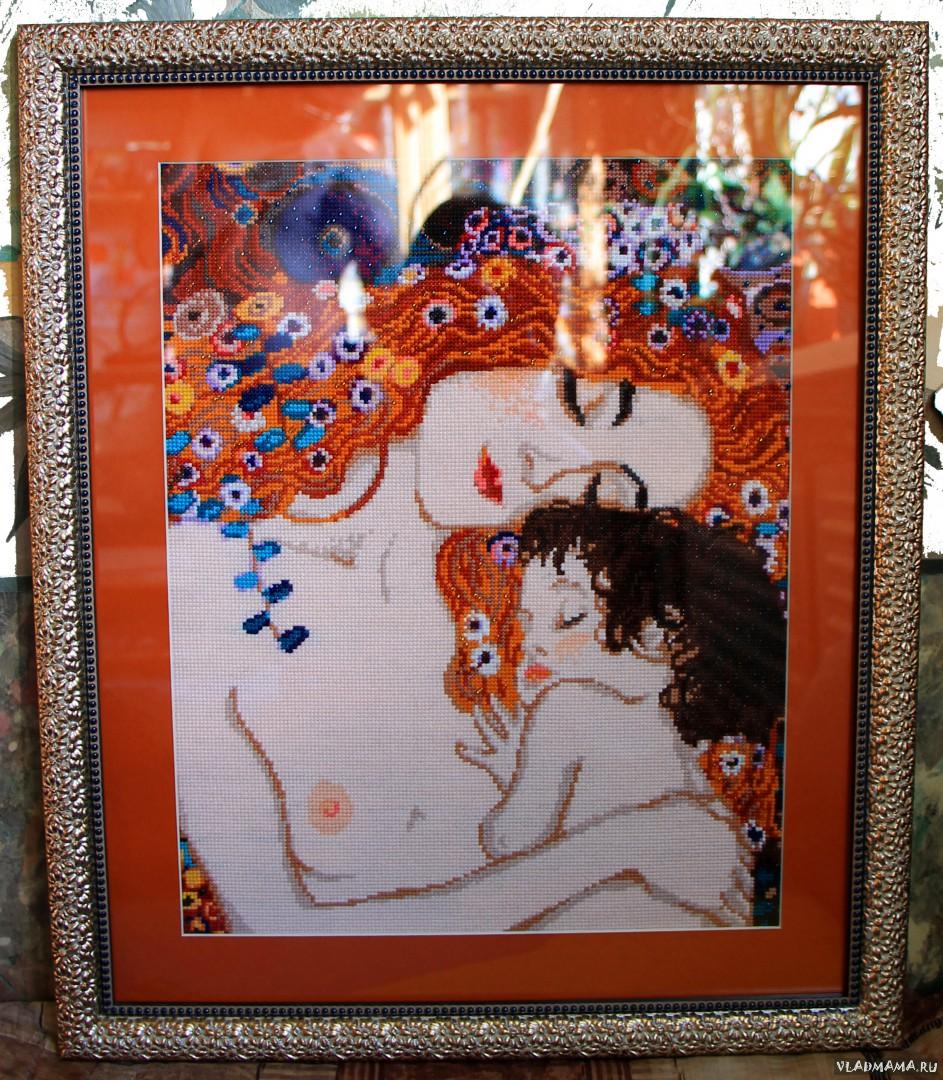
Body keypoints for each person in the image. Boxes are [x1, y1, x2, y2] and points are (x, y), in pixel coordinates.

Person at [468, 504, 786, 931]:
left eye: (568, 618)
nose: (535, 642)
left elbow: (511, 837)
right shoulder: (677, 752)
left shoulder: (568, 707)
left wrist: (522, 776)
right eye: (527, 620)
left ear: (659, 634)